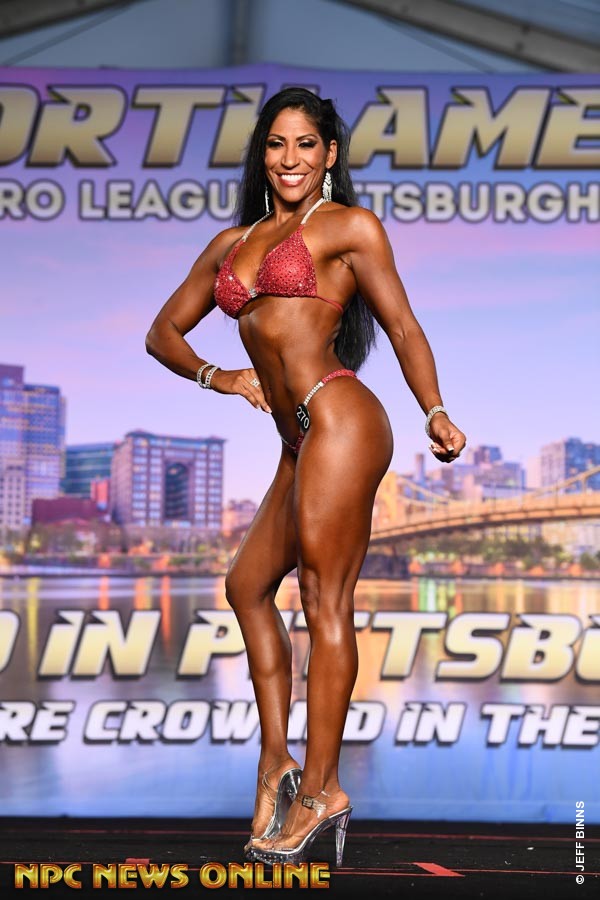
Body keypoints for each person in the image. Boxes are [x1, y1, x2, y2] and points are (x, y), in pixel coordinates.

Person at [145, 87, 466, 867]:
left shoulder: (350, 228)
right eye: (276, 144)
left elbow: (402, 325)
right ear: (263, 154)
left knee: (325, 599)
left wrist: (434, 410)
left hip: (342, 416)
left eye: (306, 144)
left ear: (329, 155)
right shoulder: (233, 243)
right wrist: (220, 377)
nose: (290, 158)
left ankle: (323, 789)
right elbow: (163, 333)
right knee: (246, 586)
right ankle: (276, 763)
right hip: (298, 439)